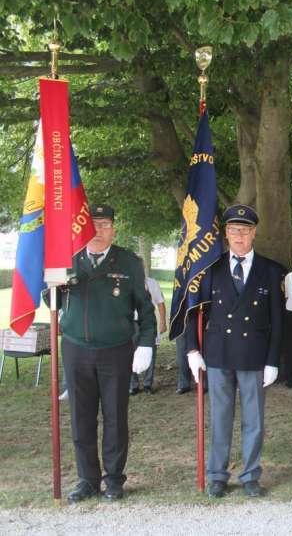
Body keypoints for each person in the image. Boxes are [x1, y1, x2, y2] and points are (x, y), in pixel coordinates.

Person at [51, 204, 156, 503]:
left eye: (105, 224)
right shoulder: (67, 259)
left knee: (115, 417)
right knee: (81, 418)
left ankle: (113, 479)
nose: (98, 230)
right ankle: (87, 479)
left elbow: (145, 310)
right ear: (83, 227)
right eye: (93, 224)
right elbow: (51, 300)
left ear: (114, 229)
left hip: (115, 351)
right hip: (76, 348)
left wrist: (146, 343)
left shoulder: (129, 262)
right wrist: (53, 283)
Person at [185, 204, 284, 498]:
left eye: (244, 230)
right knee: (220, 417)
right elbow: (194, 311)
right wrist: (192, 348)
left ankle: (251, 475)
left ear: (254, 233)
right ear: (226, 234)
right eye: (233, 230)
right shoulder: (210, 268)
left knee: (253, 419)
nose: (239, 236)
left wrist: (273, 360)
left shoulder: (271, 270)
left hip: (254, 355)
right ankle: (217, 475)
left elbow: (278, 320)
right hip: (218, 354)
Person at [129, 271, 167, 394]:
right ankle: (133, 385)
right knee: (130, 353)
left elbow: (160, 304)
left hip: (149, 322)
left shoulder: (152, 283)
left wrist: (163, 322)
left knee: (151, 351)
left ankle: (147, 384)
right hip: (131, 322)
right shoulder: (125, 283)